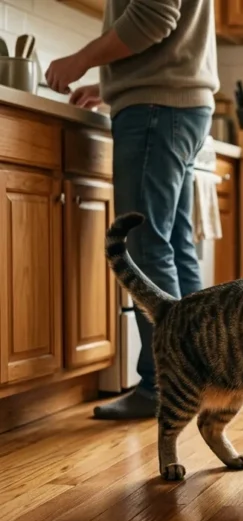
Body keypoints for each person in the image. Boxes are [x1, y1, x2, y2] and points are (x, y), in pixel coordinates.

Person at [46, 0, 219, 419]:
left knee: (145, 245)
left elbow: (153, 17)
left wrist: (80, 61)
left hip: (157, 109)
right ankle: (198, 379)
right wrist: (109, 88)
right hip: (177, 104)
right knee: (172, 248)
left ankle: (162, 386)